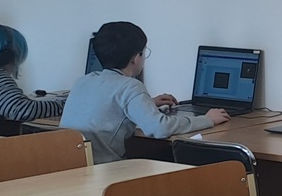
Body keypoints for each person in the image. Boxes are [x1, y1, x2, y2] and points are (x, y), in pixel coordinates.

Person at [60, 22, 228, 163]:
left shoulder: (83, 81)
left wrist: (147, 103)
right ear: (136, 58)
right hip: (104, 171)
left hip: (72, 168)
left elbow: (106, 106)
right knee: (169, 158)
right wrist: (207, 119)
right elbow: (160, 128)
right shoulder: (130, 86)